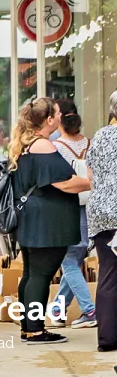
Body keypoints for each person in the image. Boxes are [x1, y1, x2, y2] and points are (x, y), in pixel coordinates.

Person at [9, 97, 90, 344]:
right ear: (49, 120)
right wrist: (91, 183)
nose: (60, 116)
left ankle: (28, 327)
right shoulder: (44, 146)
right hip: (46, 221)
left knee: (32, 273)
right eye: (56, 113)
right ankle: (35, 330)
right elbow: (63, 181)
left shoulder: (24, 143)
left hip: (31, 218)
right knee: (41, 274)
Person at [51, 98, 96, 328]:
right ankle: (57, 310)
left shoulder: (56, 147)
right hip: (90, 207)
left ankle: (90, 311)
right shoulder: (90, 142)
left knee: (67, 260)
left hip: (68, 207)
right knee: (75, 258)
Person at [85, 90, 117, 350]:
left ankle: (107, 338)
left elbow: (91, 174)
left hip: (100, 212)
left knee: (108, 273)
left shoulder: (99, 136)